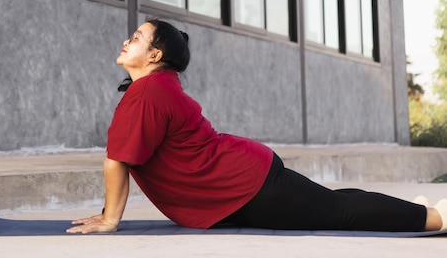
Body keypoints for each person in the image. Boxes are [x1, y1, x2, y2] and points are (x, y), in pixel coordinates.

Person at [66, 17, 447, 234]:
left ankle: (432, 219)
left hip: (246, 184)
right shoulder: (156, 87)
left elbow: (117, 160)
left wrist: (110, 219)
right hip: (241, 180)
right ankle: (410, 208)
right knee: (333, 202)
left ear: (154, 54)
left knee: (338, 211)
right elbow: (124, 158)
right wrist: (108, 214)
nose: (125, 41)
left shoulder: (150, 92)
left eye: (135, 38)